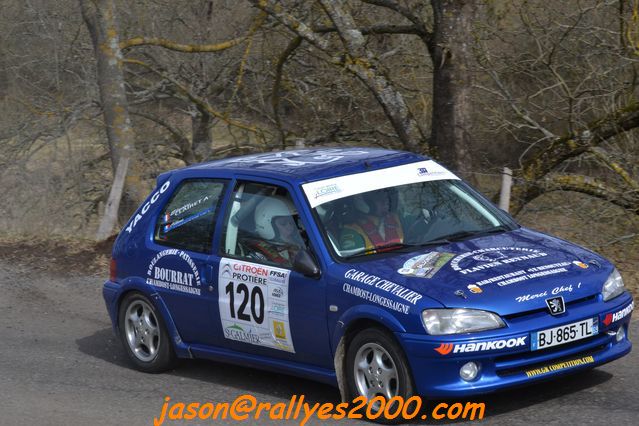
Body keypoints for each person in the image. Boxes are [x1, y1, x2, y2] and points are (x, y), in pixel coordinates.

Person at [338, 188, 404, 254]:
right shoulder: (352, 232)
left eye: (386, 196)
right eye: (378, 198)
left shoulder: (398, 219)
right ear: (363, 202)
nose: (386, 201)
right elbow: (357, 262)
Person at [243, 196, 305, 266]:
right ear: (267, 226)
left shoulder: (300, 240)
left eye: (292, 222)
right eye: (283, 223)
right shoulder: (261, 256)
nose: (290, 227)